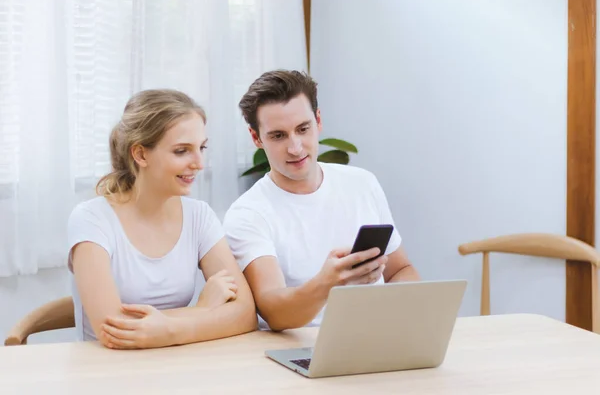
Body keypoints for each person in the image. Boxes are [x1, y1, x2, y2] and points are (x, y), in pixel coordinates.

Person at [223, 70, 421, 332]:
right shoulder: (248, 213)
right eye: (278, 136)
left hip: (377, 339)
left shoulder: (362, 183)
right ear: (256, 138)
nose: (295, 148)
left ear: (318, 121)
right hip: (302, 352)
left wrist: (401, 316)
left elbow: (400, 271)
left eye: (303, 129)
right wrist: (328, 283)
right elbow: (274, 311)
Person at [67, 89, 257, 349]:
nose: (199, 163)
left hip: (174, 369)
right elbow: (115, 330)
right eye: (182, 151)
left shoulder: (199, 216)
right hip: (109, 375)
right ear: (141, 155)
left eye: (201, 148)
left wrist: (169, 329)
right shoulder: (92, 219)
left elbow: (246, 314)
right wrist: (202, 310)